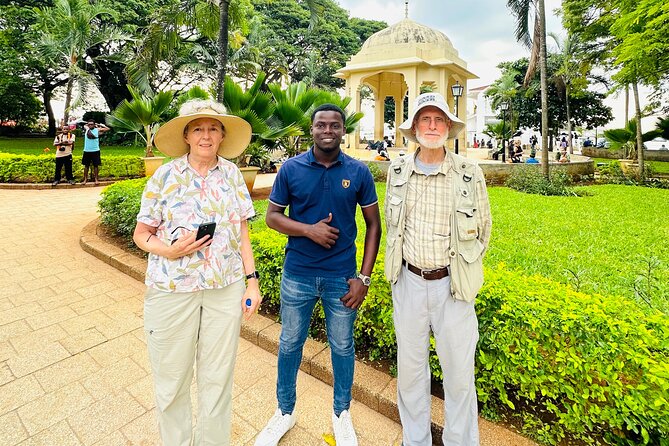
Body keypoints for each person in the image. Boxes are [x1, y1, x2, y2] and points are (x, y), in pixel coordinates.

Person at [132, 99, 261, 446]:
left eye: (214, 128)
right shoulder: (165, 175)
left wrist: (252, 282)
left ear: (222, 136)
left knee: (218, 379)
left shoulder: (232, 174)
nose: (207, 135)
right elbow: (141, 235)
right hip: (172, 290)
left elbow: (241, 232)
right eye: (198, 128)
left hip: (225, 288)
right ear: (187, 135)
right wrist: (170, 249)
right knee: (171, 380)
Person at [256, 104, 381, 446]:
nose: (328, 130)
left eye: (335, 125)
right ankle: (284, 412)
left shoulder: (358, 172)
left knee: (342, 346)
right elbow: (272, 216)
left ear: (343, 131)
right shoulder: (291, 169)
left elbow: (374, 225)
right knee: (289, 343)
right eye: (321, 125)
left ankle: (341, 414)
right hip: (298, 274)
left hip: (342, 278)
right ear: (311, 130)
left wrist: (363, 278)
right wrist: (308, 231)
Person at [385, 92, 492, 445]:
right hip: (409, 284)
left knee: (459, 375)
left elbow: (484, 231)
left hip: (453, 288)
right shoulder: (398, 170)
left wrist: (461, 269)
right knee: (411, 374)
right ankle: (415, 440)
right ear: (414, 127)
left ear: (448, 127)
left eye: (438, 120)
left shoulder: (468, 173)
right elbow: (392, 226)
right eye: (425, 120)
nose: (432, 126)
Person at [81, 119, 110, 185]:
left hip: (95, 150)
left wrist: (99, 124)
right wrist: (89, 124)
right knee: (86, 166)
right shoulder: (87, 129)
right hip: (86, 150)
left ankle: (96, 179)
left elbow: (107, 129)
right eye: (89, 124)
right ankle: (85, 179)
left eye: (92, 124)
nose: (90, 125)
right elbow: (85, 125)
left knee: (96, 165)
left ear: (94, 125)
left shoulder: (97, 130)